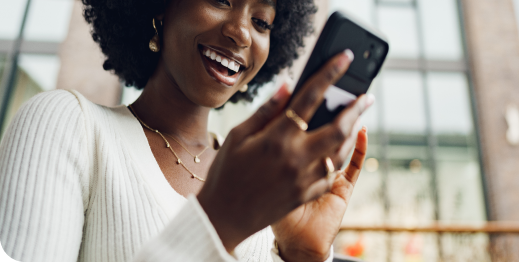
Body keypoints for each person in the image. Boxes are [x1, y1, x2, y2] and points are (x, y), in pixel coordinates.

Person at [0, 0, 374, 261]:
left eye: (262, 21)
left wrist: (304, 255)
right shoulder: (67, 124)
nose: (241, 32)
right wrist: (222, 220)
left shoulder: (262, 181)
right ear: (160, 8)